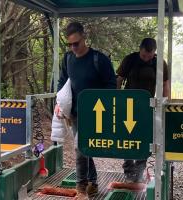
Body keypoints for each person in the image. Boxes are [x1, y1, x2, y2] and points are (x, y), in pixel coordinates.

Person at [55, 22, 116, 199]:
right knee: (84, 148)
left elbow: (111, 85)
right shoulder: (67, 59)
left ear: (84, 37)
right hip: (74, 114)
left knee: (81, 148)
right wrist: (59, 102)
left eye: (77, 43)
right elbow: (62, 82)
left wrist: (105, 108)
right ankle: (93, 184)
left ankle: (81, 189)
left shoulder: (99, 59)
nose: (74, 48)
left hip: (96, 114)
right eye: (70, 44)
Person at [116, 38, 170, 183]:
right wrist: (116, 99)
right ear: (140, 50)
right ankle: (128, 170)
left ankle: (139, 172)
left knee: (144, 139)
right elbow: (119, 79)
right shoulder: (130, 60)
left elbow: (165, 84)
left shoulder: (160, 63)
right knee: (127, 138)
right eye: (144, 55)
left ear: (154, 53)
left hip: (147, 107)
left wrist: (165, 105)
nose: (146, 58)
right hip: (127, 105)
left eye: (150, 56)